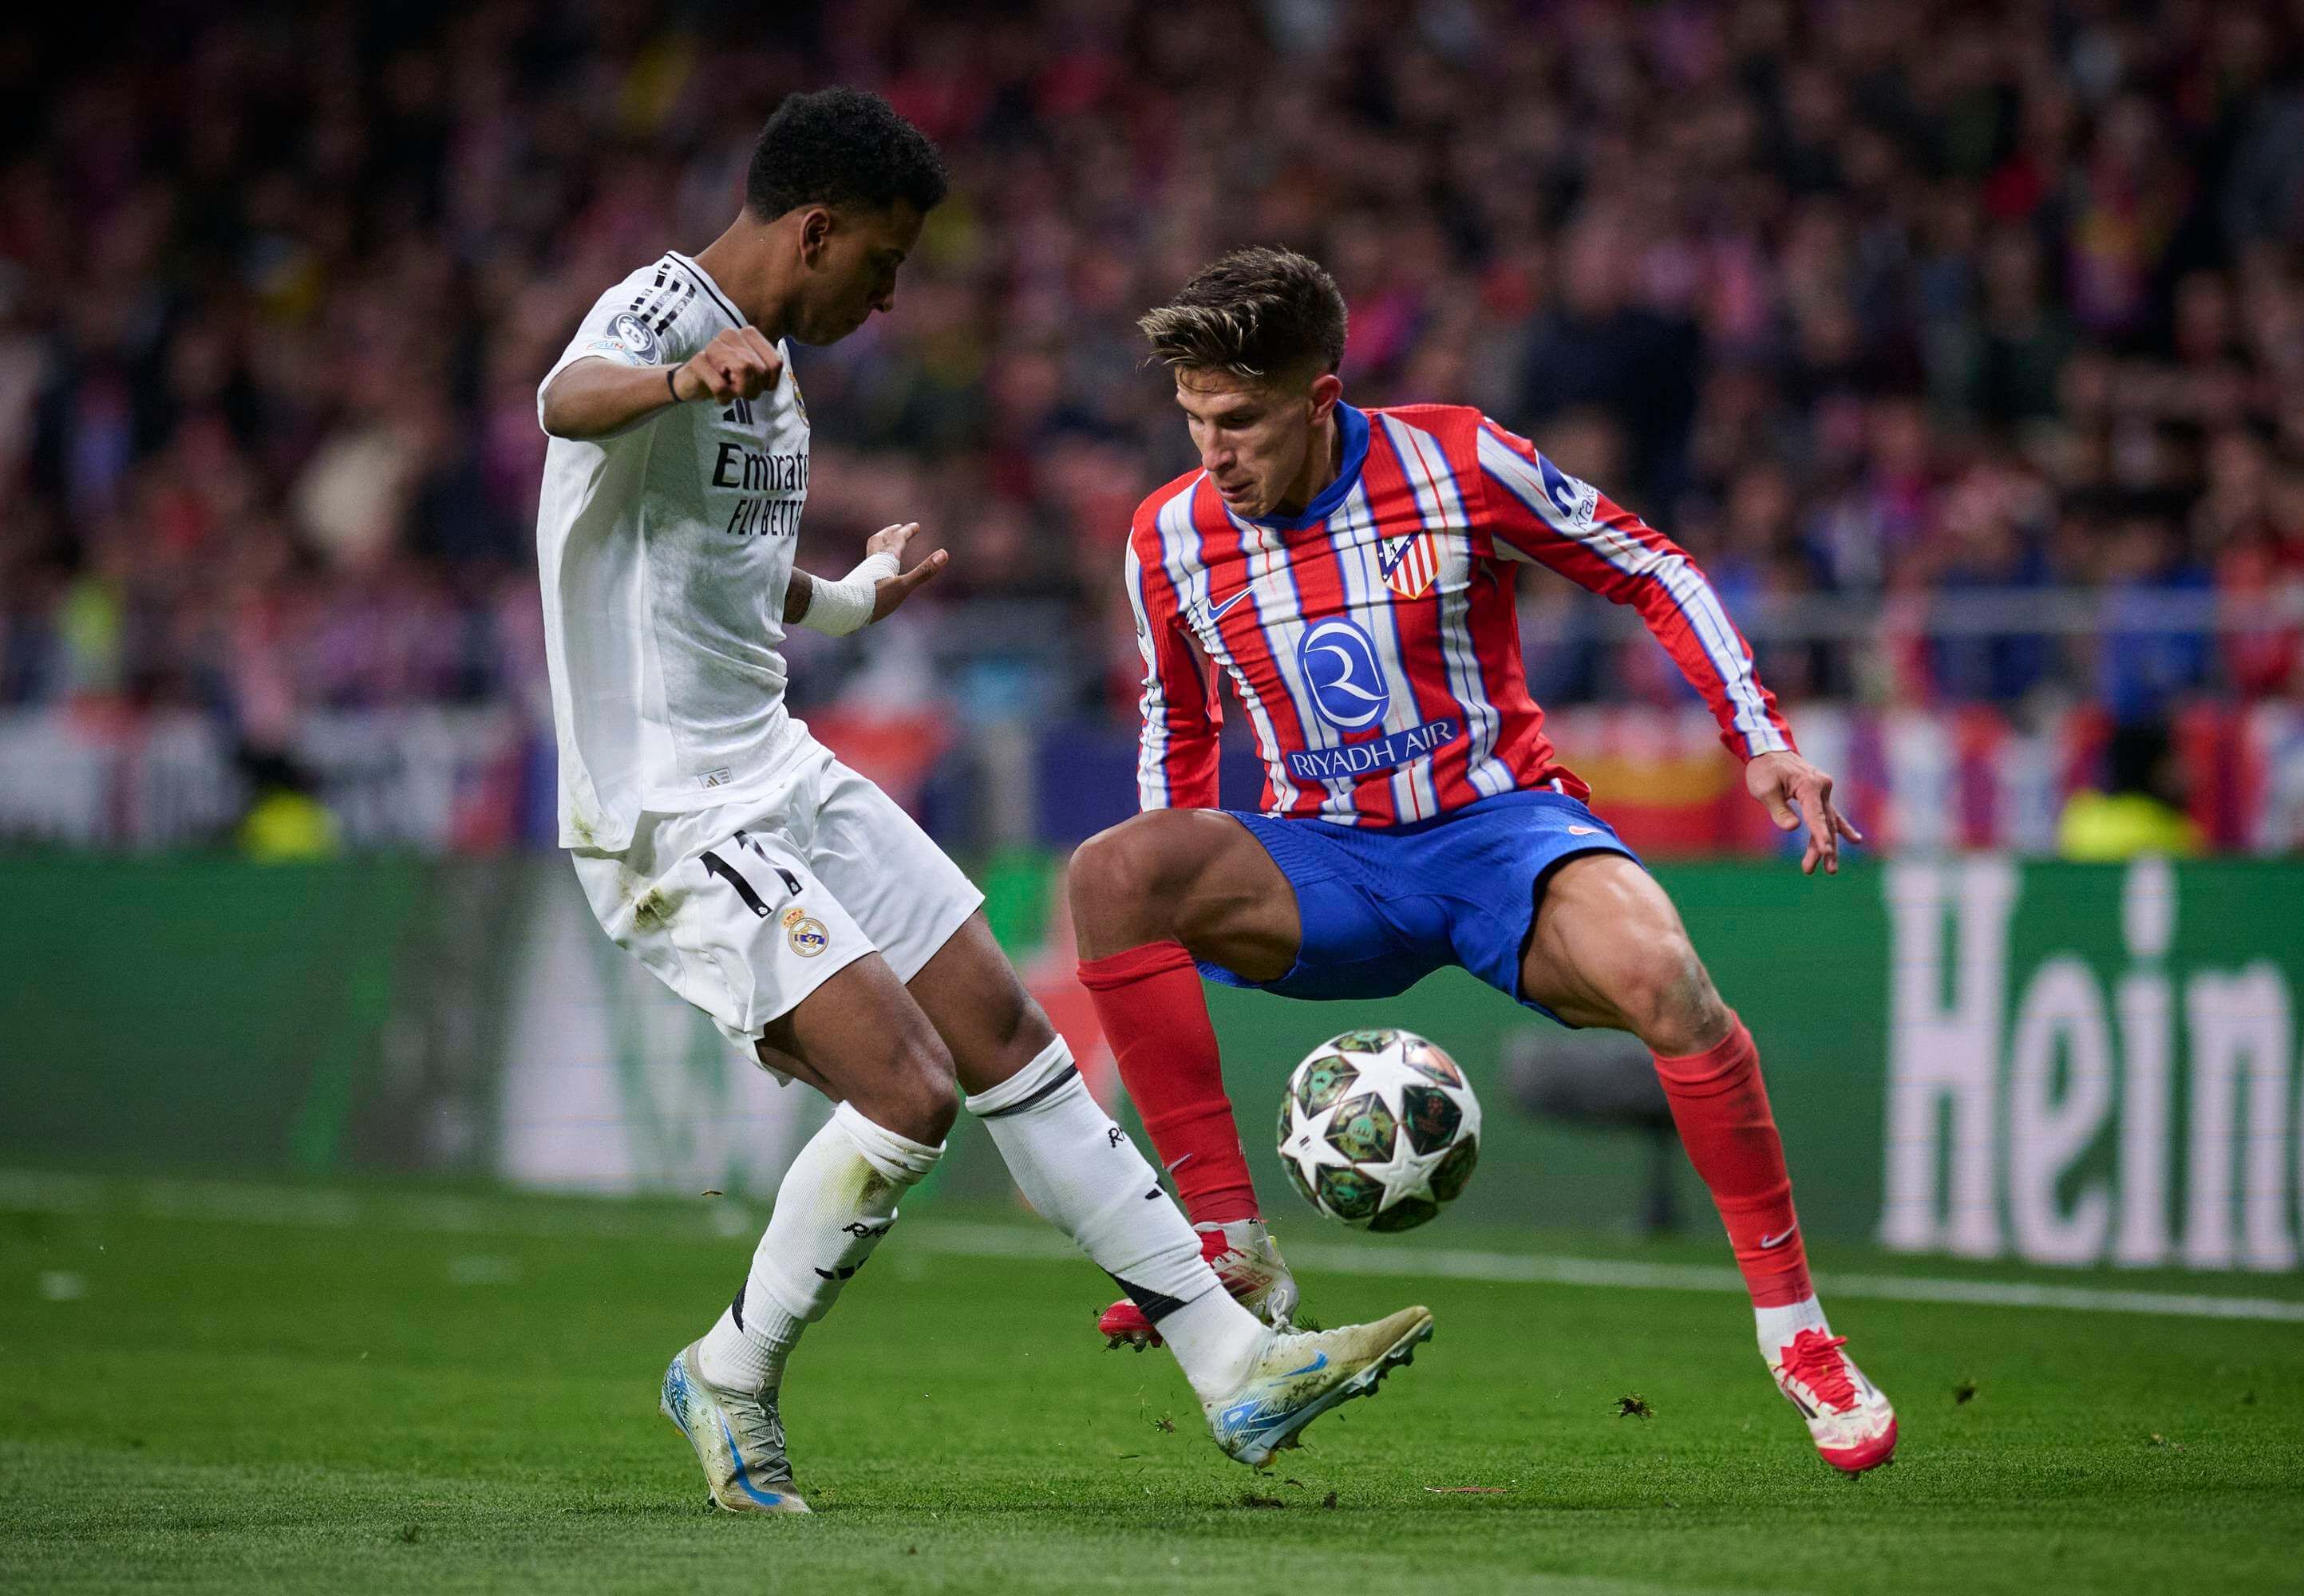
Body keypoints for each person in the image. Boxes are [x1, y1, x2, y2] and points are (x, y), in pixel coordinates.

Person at [535, 98, 1429, 1513]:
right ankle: (727, 1370)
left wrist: (846, 602)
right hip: (670, 811)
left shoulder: (769, 378)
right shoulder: (663, 311)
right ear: (814, 229)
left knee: (1011, 1035)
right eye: (881, 262)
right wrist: (670, 377)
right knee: (909, 1090)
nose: (890, 295)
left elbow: (716, 570)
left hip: (777, 762)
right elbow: (564, 398)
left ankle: (1235, 1366)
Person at [1069, 247, 1895, 1474]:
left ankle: (1798, 1335)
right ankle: (1226, 1241)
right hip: (1330, 865)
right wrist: (1169, 865)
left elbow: (1649, 564)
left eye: (1237, 422)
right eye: (1192, 422)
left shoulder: (1454, 460)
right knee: (1107, 872)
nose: (1211, 453)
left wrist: (1760, 740)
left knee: (1667, 977)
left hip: (1501, 838)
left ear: (1320, 396)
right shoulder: (1170, 538)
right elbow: (1177, 731)